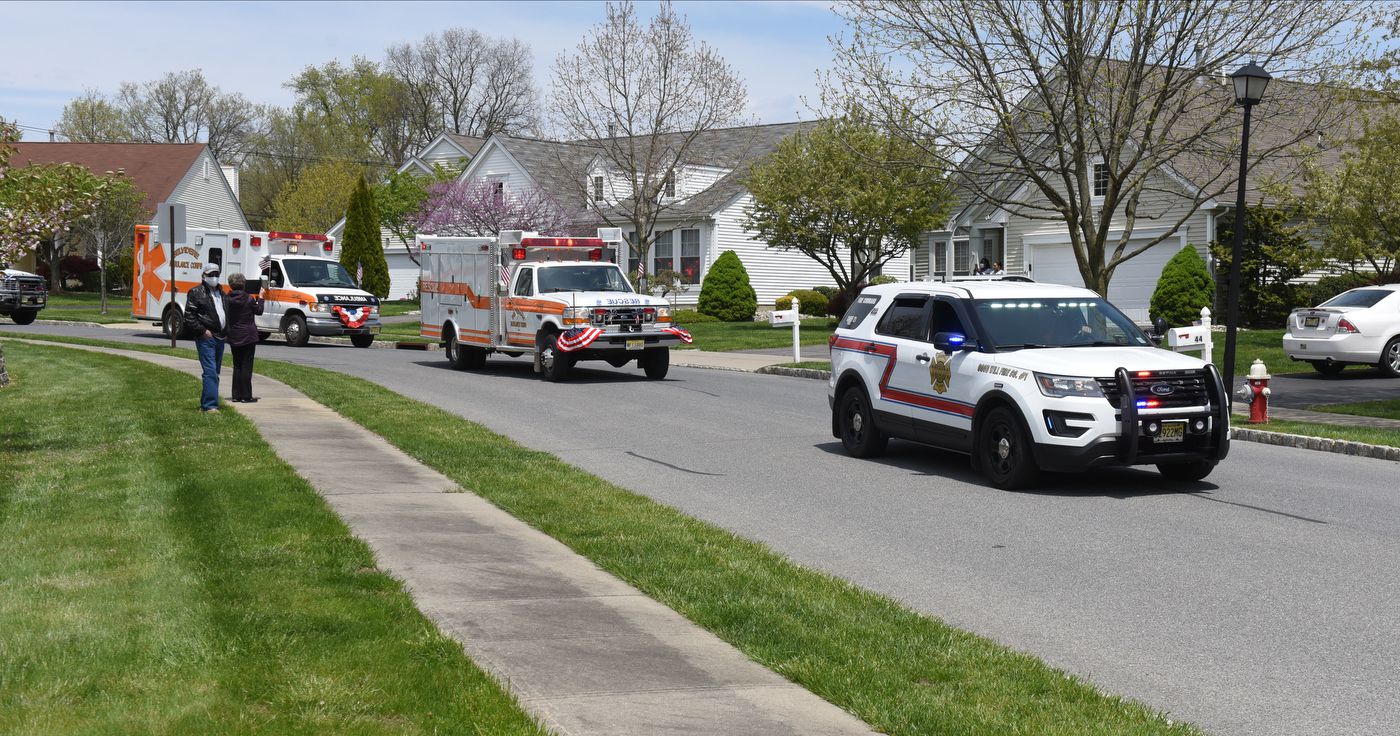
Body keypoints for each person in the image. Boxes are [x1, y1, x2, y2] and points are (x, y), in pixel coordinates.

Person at [185, 264, 228, 413]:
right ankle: (211, 406)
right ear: (203, 276)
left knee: (214, 372)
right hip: (206, 338)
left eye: (216, 274)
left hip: (220, 337)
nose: (214, 277)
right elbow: (189, 316)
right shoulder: (196, 292)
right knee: (210, 371)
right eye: (210, 275)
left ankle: (206, 404)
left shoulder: (222, 293)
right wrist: (203, 330)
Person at [224, 273, 265, 403]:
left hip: (234, 334)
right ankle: (246, 395)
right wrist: (261, 297)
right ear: (243, 284)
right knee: (246, 365)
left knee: (237, 366)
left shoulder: (226, 299)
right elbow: (259, 310)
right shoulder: (248, 299)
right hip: (248, 335)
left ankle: (236, 395)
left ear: (231, 284)